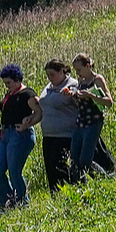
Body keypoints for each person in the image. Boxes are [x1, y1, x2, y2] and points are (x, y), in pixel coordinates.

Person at [0, 63, 39, 210]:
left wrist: (27, 124)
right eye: (5, 83)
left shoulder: (27, 94)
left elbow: (39, 112)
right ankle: (7, 201)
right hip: (4, 134)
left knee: (14, 170)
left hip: (20, 134)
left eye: (9, 83)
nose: (6, 86)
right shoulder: (10, 94)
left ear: (17, 80)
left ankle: (21, 201)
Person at [36, 59, 84, 192]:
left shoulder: (72, 85)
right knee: (50, 168)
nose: (50, 78)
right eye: (47, 75)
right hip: (48, 135)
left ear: (62, 71)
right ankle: (55, 195)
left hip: (65, 135)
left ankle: (71, 190)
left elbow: (82, 105)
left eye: (52, 74)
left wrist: (73, 96)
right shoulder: (48, 88)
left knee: (60, 166)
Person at [68, 54, 114, 182]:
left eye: (79, 70)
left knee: (85, 160)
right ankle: (81, 185)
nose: (77, 73)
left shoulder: (97, 79)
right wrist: (73, 95)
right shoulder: (81, 81)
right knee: (74, 158)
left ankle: (106, 178)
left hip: (93, 122)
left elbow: (109, 101)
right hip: (80, 122)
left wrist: (91, 95)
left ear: (88, 66)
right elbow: (80, 102)